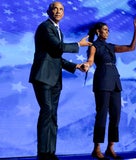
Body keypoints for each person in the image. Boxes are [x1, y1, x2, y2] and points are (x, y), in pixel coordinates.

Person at [28, 1, 92, 160]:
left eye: (61, 9)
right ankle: (43, 153)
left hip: (55, 79)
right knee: (47, 111)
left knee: (53, 115)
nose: (58, 11)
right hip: (43, 77)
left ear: (64, 13)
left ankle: (50, 152)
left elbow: (56, 57)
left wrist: (76, 66)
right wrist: (79, 44)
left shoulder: (58, 30)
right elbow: (58, 47)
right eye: (55, 8)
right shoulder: (45, 27)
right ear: (48, 11)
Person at [81, 17, 136, 159]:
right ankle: (97, 149)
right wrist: (87, 65)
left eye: (108, 30)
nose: (107, 32)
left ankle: (110, 148)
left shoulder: (110, 46)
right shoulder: (94, 45)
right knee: (101, 115)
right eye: (105, 30)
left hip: (114, 81)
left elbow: (131, 48)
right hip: (102, 80)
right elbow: (90, 59)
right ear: (98, 31)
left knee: (116, 115)